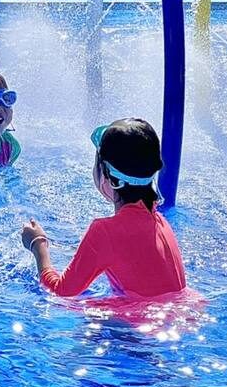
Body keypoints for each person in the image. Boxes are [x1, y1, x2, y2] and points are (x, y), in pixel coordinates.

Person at [21, 118, 187, 298]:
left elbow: (61, 291)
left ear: (109, 177)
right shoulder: (160, 222)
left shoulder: (104, 232)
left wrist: (38, 244)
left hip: (134, 315)